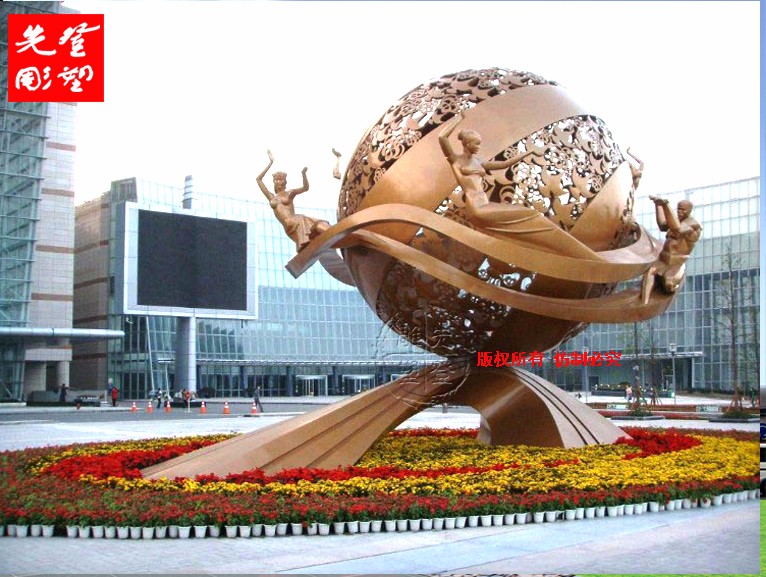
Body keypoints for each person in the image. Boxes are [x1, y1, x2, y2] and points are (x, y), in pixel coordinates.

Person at [438, 110, 540, 233]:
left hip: (485, 204)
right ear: (468, 144)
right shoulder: (455, 159)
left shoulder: (479, 162)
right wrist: (459, 118)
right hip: (476, 207)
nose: (478, 147)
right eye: (476, 144)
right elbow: (442, 137)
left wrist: (529, 152)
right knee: (529, 216)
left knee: (531, 215)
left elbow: (504, 164)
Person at [256, 149, 330, 252]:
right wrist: (270, 163)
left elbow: (305, 188)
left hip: (295, 221)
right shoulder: (271, 197)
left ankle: (329, 233)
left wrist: (303, 174)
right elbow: (258, 179)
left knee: (314, 224)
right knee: (304, 220)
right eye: (276, 180)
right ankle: (308, 240)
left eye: (280, 180)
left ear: (284, 182)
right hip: (288, 225)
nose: (278, 182)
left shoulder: (290, 193)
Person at [641, 196, 702, 303]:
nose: (679, 212)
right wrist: (658, 205)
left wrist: (666, 205)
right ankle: (644, 302)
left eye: (683, 210)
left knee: (669, 284)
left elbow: (678, 229)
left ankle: (668, 283)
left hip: (676, 262)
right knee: (650, 272)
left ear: (689, 210)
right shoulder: (675, 221)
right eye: (678, 209)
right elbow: (662, 225)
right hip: (664, 259)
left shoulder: (693, 224)